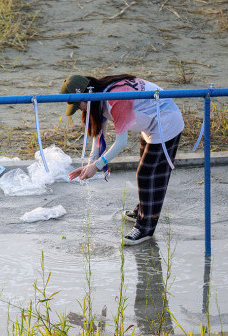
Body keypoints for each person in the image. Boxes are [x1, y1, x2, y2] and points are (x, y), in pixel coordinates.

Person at [62, 74, 184, 245]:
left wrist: (97, 166)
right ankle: (143, 210)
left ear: (85, 94)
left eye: (78, 105)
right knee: (147, 171)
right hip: (150, 123)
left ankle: (145, 228)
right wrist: (90, 163)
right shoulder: (100, 96)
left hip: (165, 121)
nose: (80, 109)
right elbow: (99, 136)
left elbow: (121, 143)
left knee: (148, 174)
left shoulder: (115, 99)